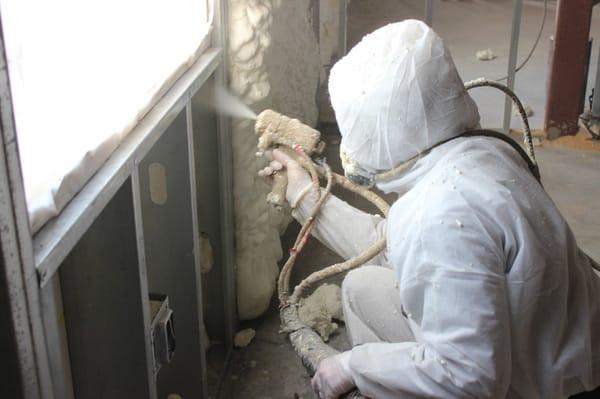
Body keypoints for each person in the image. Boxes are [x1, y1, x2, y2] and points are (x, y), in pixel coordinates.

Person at [262, 20, 600, 398]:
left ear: (380, 129)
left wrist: (352, 366)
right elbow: (390, 246)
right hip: (561, 352)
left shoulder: (439, 213)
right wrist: (303, 194)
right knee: (360, 287)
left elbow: (471, 377)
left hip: (550, 388)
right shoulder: (484, 151)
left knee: (377, 350)